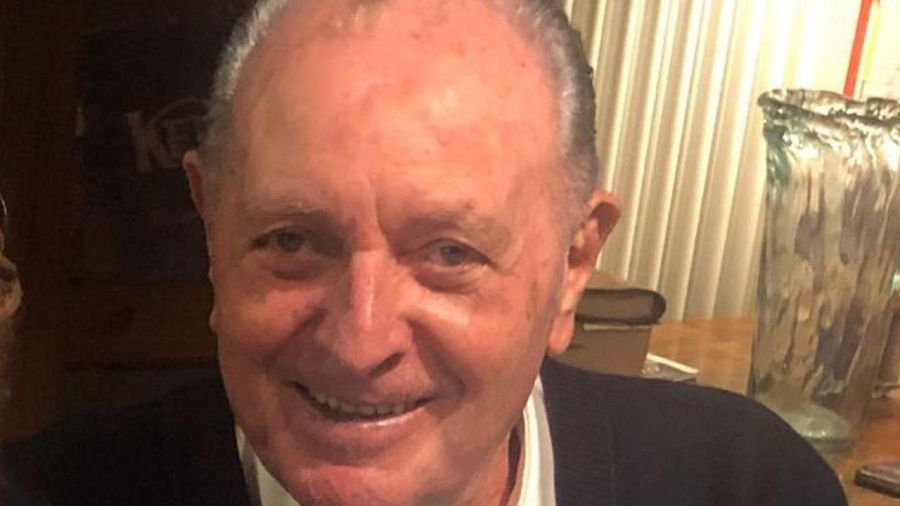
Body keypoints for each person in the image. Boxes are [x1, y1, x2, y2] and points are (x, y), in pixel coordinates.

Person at [2, 0, 846, 505]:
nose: (359, 341)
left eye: (449, 252)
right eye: (292, 241)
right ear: (211, 230)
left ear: (573, 267)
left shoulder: (745, 486)